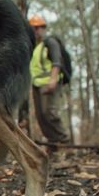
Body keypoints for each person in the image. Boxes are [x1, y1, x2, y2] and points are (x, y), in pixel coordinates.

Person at [28, 15, 70, 146]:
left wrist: (52, 80)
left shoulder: (50, 42)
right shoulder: (36, 47)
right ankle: (53, 143)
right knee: (41, 116)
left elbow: (57, 62)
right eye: (32, 29)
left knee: (49, 112)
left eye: (37, 28)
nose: (35, 31)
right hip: (37, 84)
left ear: (42, 28)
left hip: (49, 82)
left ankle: (64, 140)